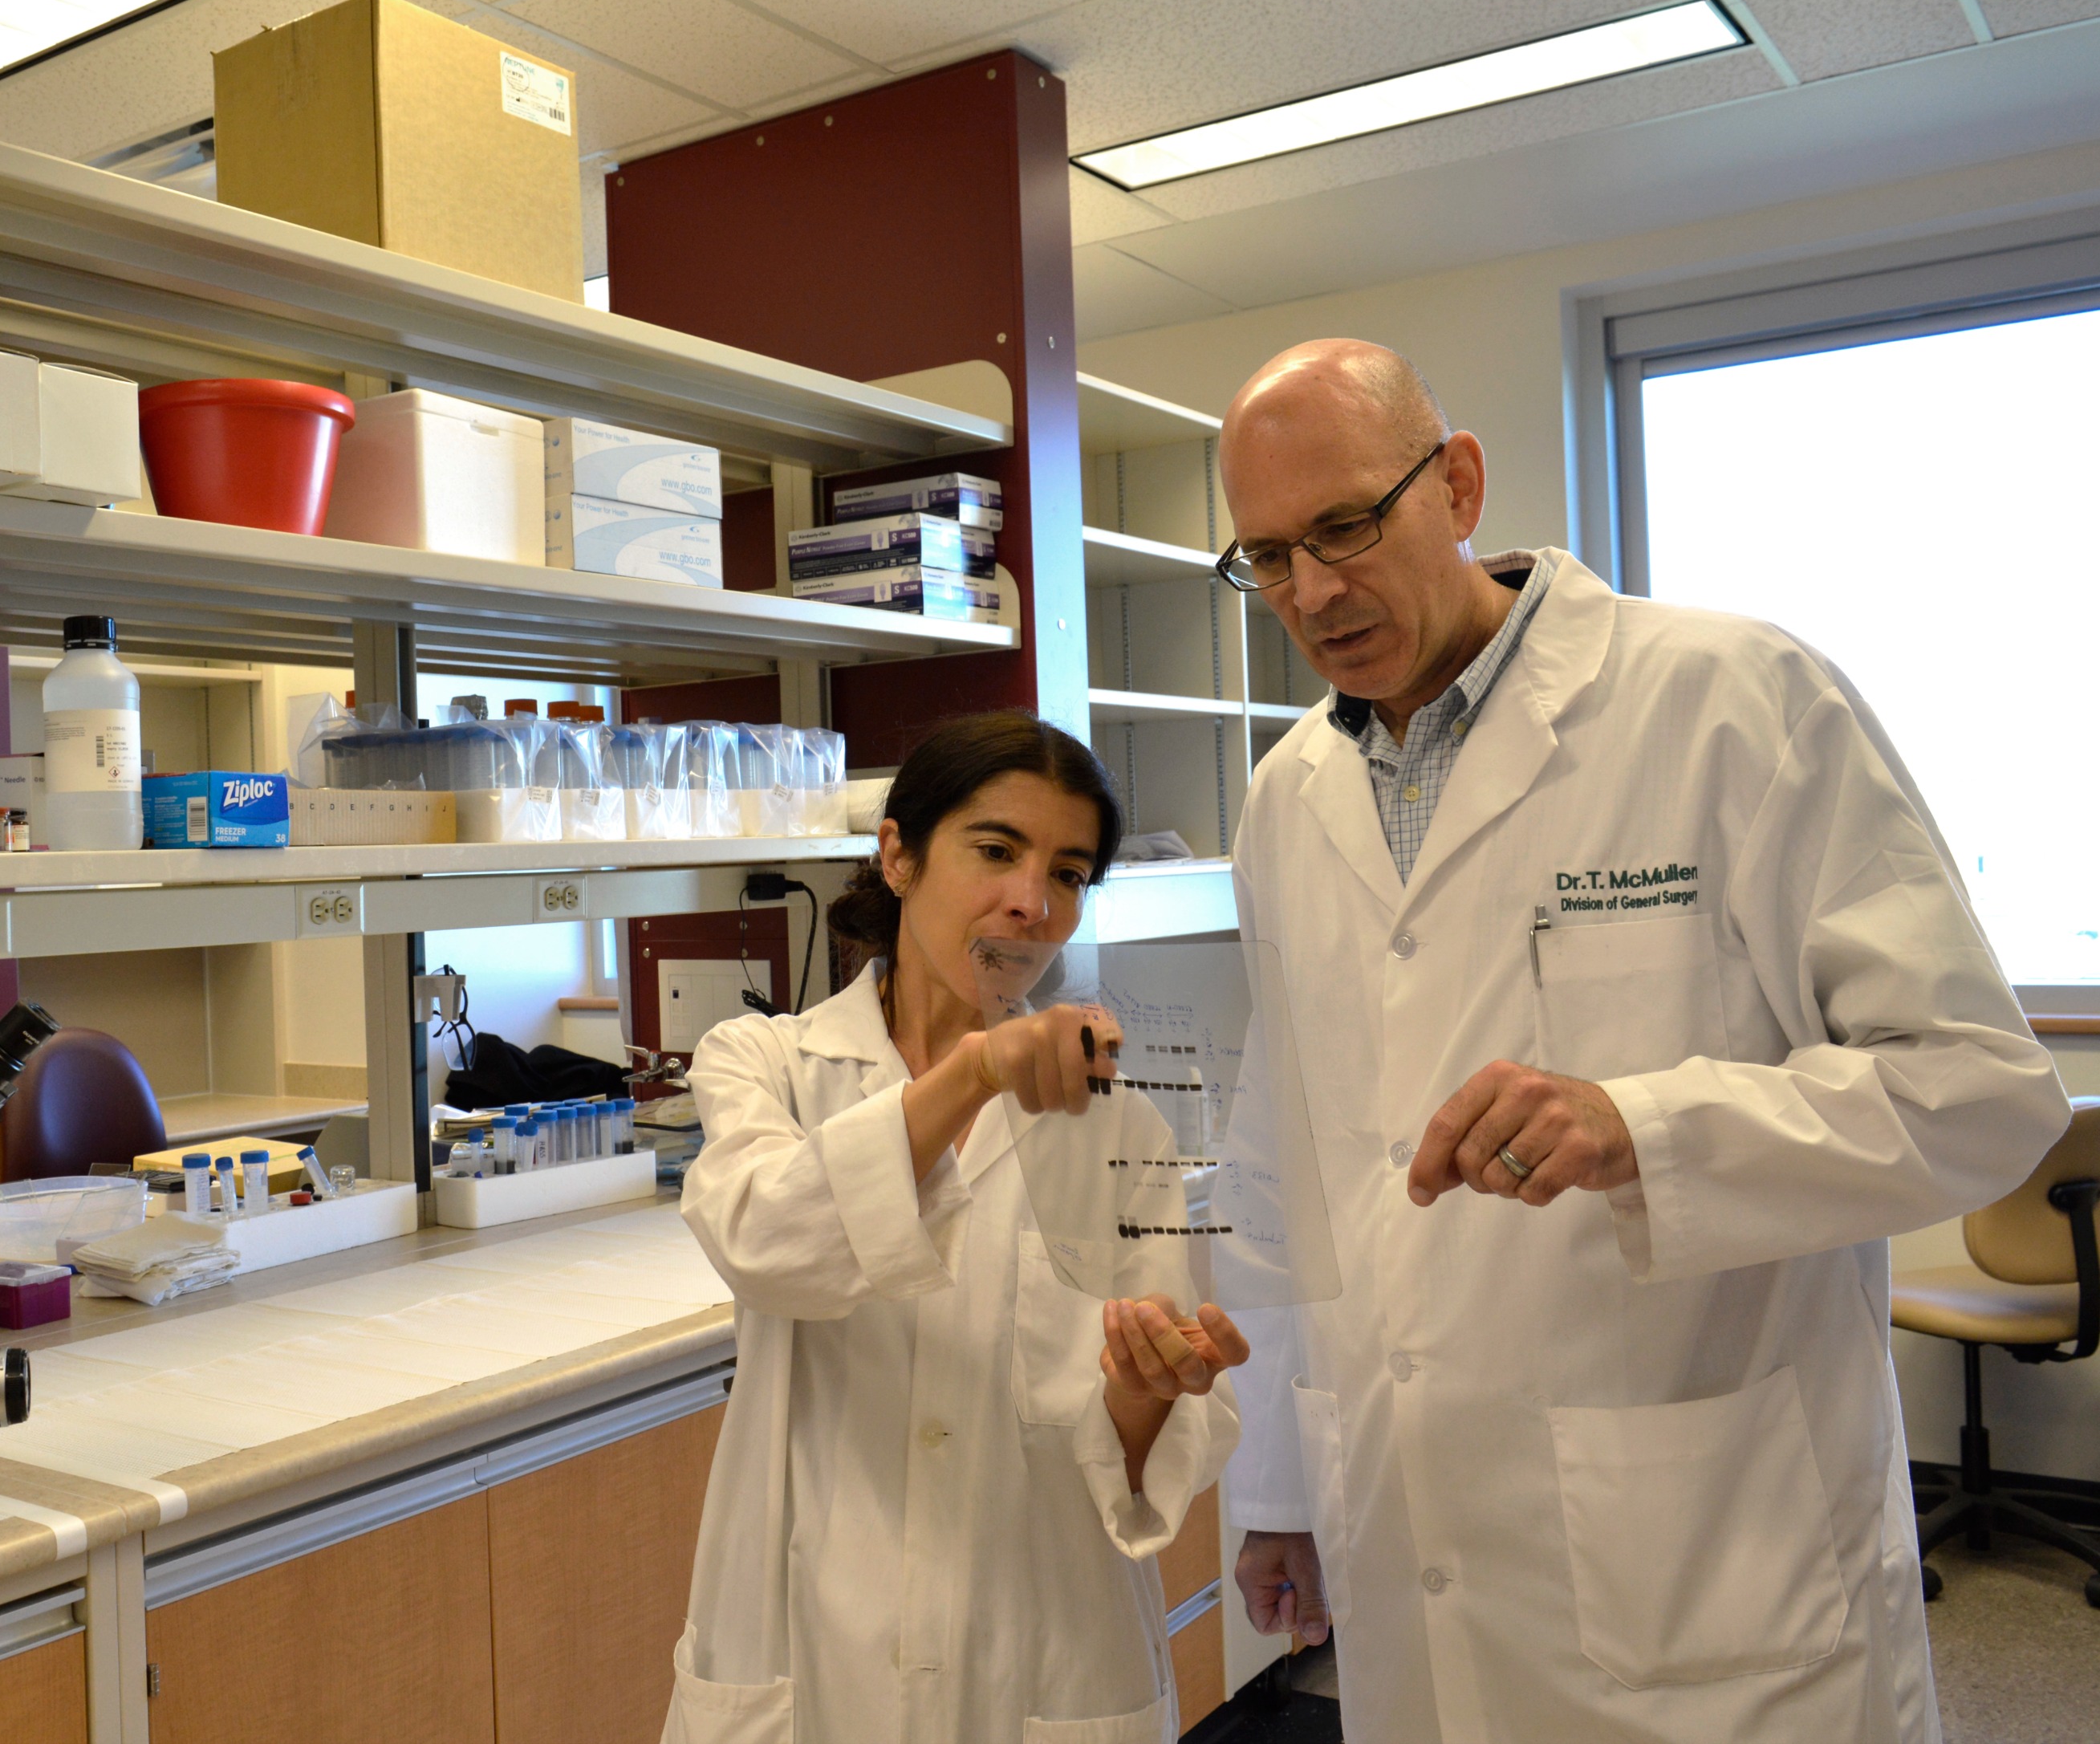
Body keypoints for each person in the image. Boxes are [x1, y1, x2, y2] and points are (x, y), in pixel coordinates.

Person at [1215, 338, 2070, 1742]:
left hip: (1711, 1544)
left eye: (1343, 526)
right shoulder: (1283, 797)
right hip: (1408, 1528)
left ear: (1458, 484)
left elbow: (1976, 1089)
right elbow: (1278, 1159)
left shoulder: (1735, 697)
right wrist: (1275, 1488)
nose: (1307, 592)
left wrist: (1647, 1128)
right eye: (1264, 556)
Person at [664, 711, 1248, 1744]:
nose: (1032, 901)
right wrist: (973, 1072)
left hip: (1038, 1640)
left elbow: (1143, 1447)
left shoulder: (1119, 1121)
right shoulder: (767, 1062)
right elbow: (769, 1244)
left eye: (1068, 873)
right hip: (811, 1637)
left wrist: (1146, 1386)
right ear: (897, 854)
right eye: (994, 849)